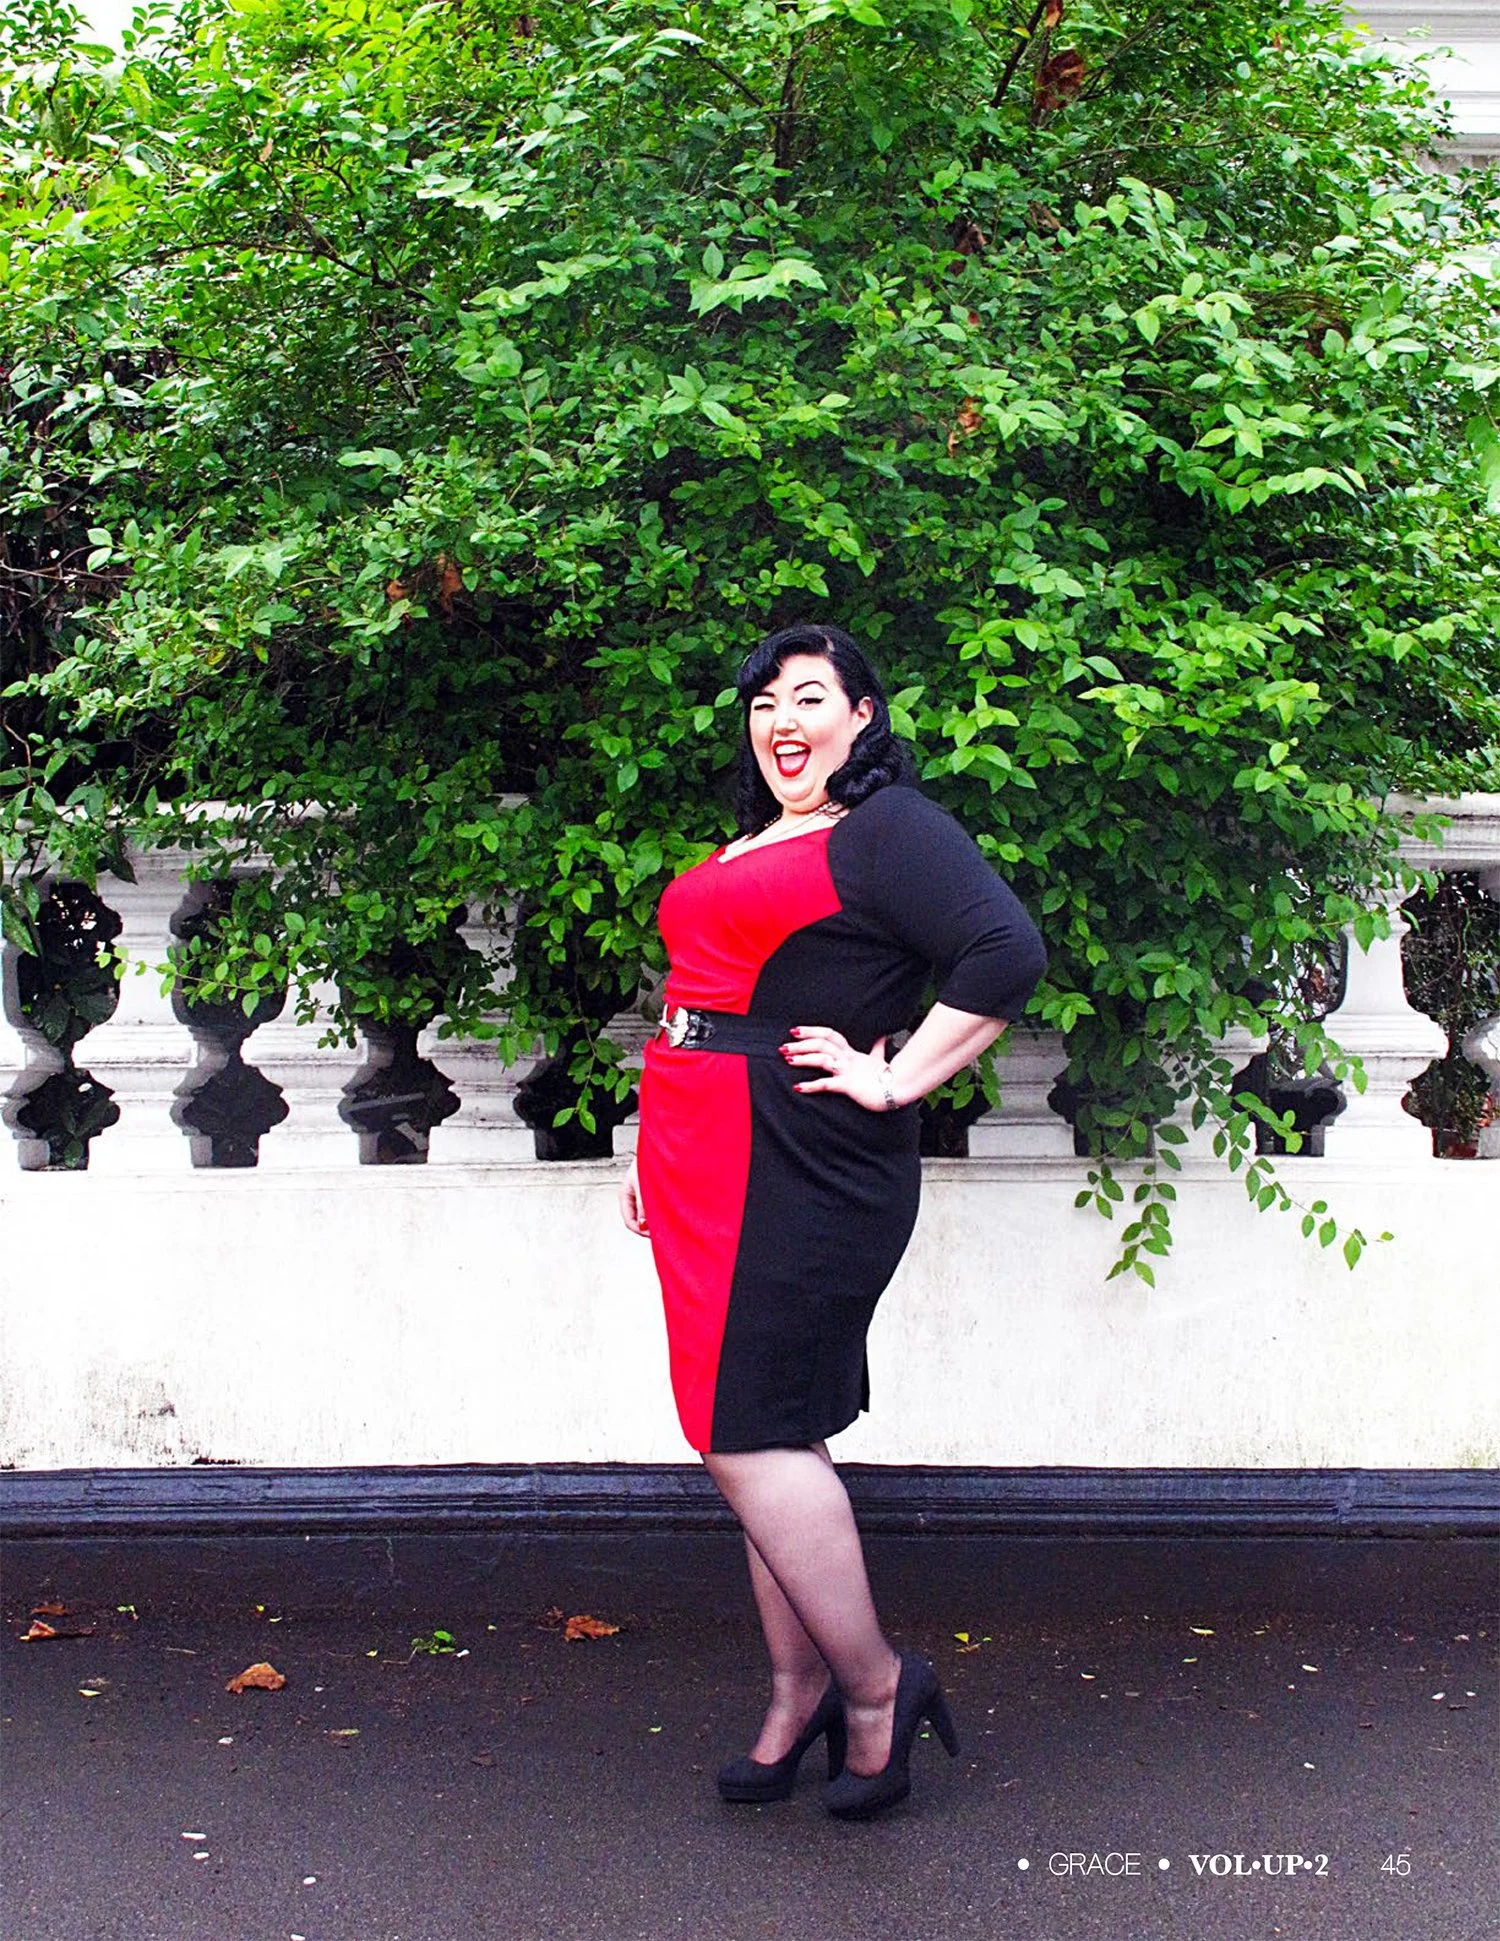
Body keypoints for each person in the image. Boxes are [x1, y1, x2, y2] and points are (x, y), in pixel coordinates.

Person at [618, 621, 1047, 1819]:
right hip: (705, 1149)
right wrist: (653, 1141)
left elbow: (1006, 951)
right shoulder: (755, 840)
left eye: (810, 697)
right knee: (769, 1426)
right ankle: (796, 1691)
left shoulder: (887, 828)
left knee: (745, 1429)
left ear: (862, 717)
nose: (782, 721)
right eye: (764, 703)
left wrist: (897, 1077)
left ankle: (875, 1687)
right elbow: (702, 998)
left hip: (801, 1157)